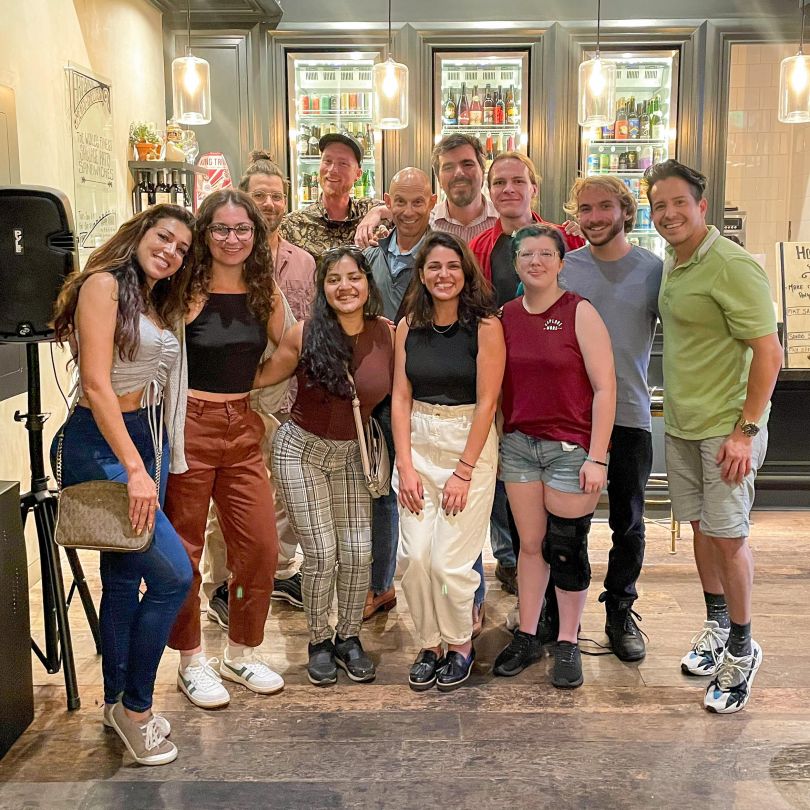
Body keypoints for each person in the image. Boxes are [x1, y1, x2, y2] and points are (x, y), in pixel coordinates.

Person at [51, 204, 195, 765]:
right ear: (140, 233)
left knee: (122, 577)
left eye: (182, 248)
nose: (172, 252)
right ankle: (137, 708)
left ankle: (114, 703)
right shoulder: (103, 285)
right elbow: (96, 383)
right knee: (173, 576)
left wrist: (150, 457)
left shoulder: (151, 297)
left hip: (144, 435)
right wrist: (135, 468)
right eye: (164, 238)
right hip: (103, 440)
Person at [646, 160, 782, 713]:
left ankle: (744, 649)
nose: (669, 213)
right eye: (659, 205)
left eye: (680, 202)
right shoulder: (676, 264)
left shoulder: (730, 264)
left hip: (727, 429)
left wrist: (746, 430)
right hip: (683, 424)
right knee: (703, 528)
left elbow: (769, 351)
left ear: (702, 205)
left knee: (729, 537)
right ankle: (717, 625)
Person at [165, 188, 287, 709]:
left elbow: (293, 343)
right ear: (204, 232)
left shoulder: (264, 290)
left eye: (243, 230)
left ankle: (240, 651)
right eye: (221, 229)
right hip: (188, 425)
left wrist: (255, 382)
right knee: (185, 553)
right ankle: (190, 661)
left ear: (255, 236)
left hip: (241, 424)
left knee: (260, 546)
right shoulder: (182, 289)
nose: (232, 239)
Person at [255, 246, 394, 686]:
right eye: (334, 279)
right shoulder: (304, 333)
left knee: (357, 553)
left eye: (353, 277)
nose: (344, 286)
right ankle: (319, 641)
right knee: (321, 553)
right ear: (323, 287)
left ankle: (348, 637)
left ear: (368, 283)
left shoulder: (389, 335)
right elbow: (259, 378)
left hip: (355, 456)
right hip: (301, 451)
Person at [492, 224, 615, 689]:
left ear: (562, 263)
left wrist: (597, 457)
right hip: (520, 446)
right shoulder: (504, 316)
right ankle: (527, 633)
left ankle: (567, 640)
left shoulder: (579, 313)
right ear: (516, 263)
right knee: (528, 546)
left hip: (571, 449)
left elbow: (606, 388)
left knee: (566, 548)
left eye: (547, 253)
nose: (536, 261)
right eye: (527, 254)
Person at [551, 175, 662, 661]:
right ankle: (560, 615)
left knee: (629, 522)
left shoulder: (654, 270)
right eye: (585, 209)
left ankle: (620, 609)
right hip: (572, 419)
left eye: (604, 207)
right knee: (567, 525)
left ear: (625, 210)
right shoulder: (564, 269)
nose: (594, 217)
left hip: (632, 415)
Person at [203, 152, 315, 627]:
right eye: (260, 195)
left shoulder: (301, 261)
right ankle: (223, 587)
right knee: (221, 508)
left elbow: (297, 336)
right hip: (215, 408)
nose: (269, 203)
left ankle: (273, 574)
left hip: (280, 401)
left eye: (276, 195)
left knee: (279, 497)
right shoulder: (205, 272)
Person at [469, 152, 586, 600]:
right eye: (499, 182)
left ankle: (561, 605)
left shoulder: (561, 241)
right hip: (504, 390)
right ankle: (521, 579)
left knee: (560, 520)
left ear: (533, 187)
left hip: (557, 396)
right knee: (512, 494)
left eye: (518, 181)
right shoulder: (481, 247)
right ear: (489, 191)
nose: (508, 190)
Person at [392, 231, 505, 692]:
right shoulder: (408, 325)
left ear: (466, 272)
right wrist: (405, 464)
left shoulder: (486, 326)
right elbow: (401, 396)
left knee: (449, 563)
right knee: (415, 557)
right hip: (417, 439)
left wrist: (463, 470)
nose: (444, 275)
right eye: (434, 267)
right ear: (422, 274)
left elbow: (488, 401)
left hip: (467, 445)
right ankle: (429, 644)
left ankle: (459, 644)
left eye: (452, 267)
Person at [361, 167, 436, 621]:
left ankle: (460, 595)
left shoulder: (443, 253)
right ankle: (380, 584)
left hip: (426, 392)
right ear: (388, 200)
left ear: (432, 202)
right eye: (400, 202)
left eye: (418, 202)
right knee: (379, 490)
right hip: (375, 393)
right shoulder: (370, 256)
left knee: (435, 488)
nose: (408, 212)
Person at [280, 132, 384, 264]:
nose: (333, 169)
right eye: (327, 161)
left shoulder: (368, 209)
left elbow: (409, 211)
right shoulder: (292, 225)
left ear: (358, 174)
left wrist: (378, 212)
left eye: (343, 163)